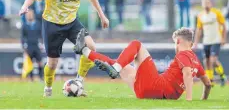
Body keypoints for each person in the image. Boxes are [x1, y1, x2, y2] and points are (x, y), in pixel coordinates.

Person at [19, 0, 109, 97]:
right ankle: (48, 88)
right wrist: (24, 7)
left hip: (72, 22)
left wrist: (102, 16)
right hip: (52, 25)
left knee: (91, 46)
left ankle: (79, 81)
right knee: (52, 63)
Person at [74, 28, 211, 100]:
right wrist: (203, 98)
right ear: (192, 44)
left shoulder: (182, 54)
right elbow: (208, 84)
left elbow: (187, 73)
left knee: (136, 44)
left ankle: (115, 68)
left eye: (175, 43)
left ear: (178, 42)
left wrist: (189, 99)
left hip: (157, 86)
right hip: (151, 93)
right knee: (120, 65)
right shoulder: (196, 62)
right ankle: (84, 50)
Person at [193, 0, 227, 86]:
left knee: (213, 60)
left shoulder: (216, 13)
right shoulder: (200, 15)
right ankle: (210, 80)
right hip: (206, 41)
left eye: (207, 3)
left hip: (216, 40)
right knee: (206, 61)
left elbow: (224, 26)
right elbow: (199, 29)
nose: (206, 5)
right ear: (202, 4)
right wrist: (196, 42)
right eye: (204, 3)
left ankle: (222, 76)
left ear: (211, 3)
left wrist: (223, 38)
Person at [21, 9, 43, 81]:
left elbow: (41, 35)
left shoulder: (38, 24)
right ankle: (31, 79)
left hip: (37, 46)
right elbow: (22, 37)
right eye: (28, 14)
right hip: (29, 46)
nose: (29, 16)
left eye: (31, 14)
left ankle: (41, 78)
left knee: (40, 62)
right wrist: (24, 46)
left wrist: (42, 43)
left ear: (33, 15)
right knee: (30, 63)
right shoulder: (24, 25)